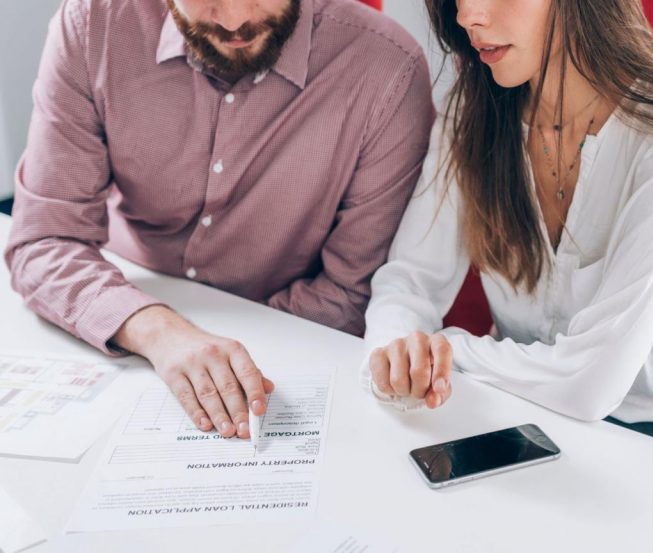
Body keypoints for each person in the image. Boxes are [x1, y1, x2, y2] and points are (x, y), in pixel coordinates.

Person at [4, 0, 434, 440]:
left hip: (284, 354)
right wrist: (160, 333)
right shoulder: (94, 23)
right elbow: (45, 238)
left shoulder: (386, 69)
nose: (234, 21)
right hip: (123, 317)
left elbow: (349, 291)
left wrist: (230, 367)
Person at [361, 0, 653, 454]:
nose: (466, 17)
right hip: (521, 405)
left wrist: (444, 352)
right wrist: (395, 359)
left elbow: (590, 385)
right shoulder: (471, 109)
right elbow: (409, 282)